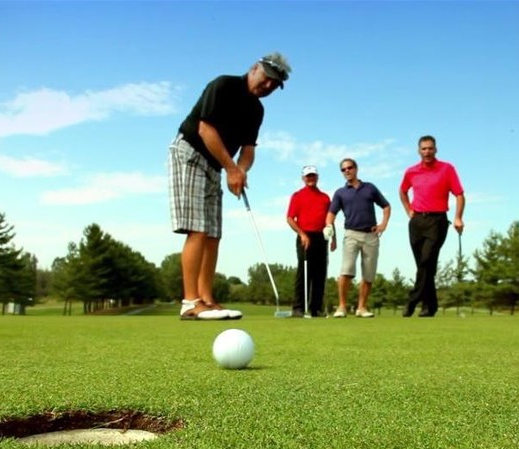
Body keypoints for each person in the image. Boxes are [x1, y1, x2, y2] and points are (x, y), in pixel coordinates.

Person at [168, 53, 292, 320]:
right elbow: (205, 130)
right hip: (190, 153)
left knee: (213, 233)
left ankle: (207, 299)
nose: (269, 86)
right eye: (268, 78)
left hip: (215, 165)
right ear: (255, 69)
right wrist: (231, 168)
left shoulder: (257, 110)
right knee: (198, 228)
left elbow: (248, 150)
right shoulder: (224, 85)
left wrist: (241, 171)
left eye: (275, 84)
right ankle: (190, 302)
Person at [399, 135, 465, 317]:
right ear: (419, 151)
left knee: (426, 260)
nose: (427, 152)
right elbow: (403, 191)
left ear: (436, 149)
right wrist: (408, 210)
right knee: (424, 265)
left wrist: (458, 217)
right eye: (424, 149)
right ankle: (430, 307)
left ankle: (412, 301)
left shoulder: (447, 169)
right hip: (417, 221)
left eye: (430, 148)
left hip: (437, 221)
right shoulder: (411, 171)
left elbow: (459, 194)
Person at [325, 158, 391, 318]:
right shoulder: (340, 193)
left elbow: (386, 206)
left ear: (356, 169)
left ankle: (362, 308)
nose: (347, 171)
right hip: (351, 235)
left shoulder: (370, 188)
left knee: (368, 274)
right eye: (343, 169)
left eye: (350, 168)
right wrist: (328, 226)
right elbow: (331, 214)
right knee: (346, 271)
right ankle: (341, 307)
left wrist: (383, 224)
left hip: (371, 235)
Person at [286, 165, 334, 317]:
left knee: (320, 273)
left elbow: (329, 221)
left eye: (313, 176)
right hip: (305, 236)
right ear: (303, 178)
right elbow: (290, 218)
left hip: (322, 237)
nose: (310, 178)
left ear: (317, 177)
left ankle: (316, 308)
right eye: (308, 176)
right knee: (304, 271)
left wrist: (334, 239)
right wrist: (302, 234)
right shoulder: (297, 196)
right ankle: (299, 308)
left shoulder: (325, 197)